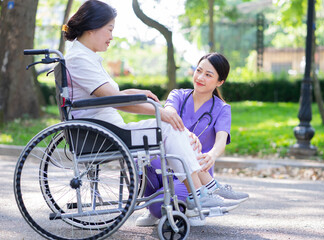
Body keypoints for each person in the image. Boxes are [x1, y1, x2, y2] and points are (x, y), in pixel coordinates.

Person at [62, 0, 239, 216]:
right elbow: (113, 100)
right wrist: (160, 112)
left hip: (106, 129)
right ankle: (201, 192)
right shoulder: (80, 58)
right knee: (168, 127)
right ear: (92, 27)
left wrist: (136, 93)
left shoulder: (85, 57)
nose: (111, 36)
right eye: (110, 29)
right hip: (103, 134)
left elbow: (109, 95)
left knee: (171, 128)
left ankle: (203, 190)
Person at [135, 52, 249, 227]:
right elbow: (169, 114)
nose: (200, 77)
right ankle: (209, 190)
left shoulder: (222, 108)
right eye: (199, 71)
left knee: (159, 208)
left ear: (220, 82)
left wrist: (212, 154)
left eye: (208, 75)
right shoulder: (178, 95)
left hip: (195, 172)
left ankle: (194, 201)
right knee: (142, 162)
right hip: (166, 166)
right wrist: (185, 134)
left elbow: (221, 139)